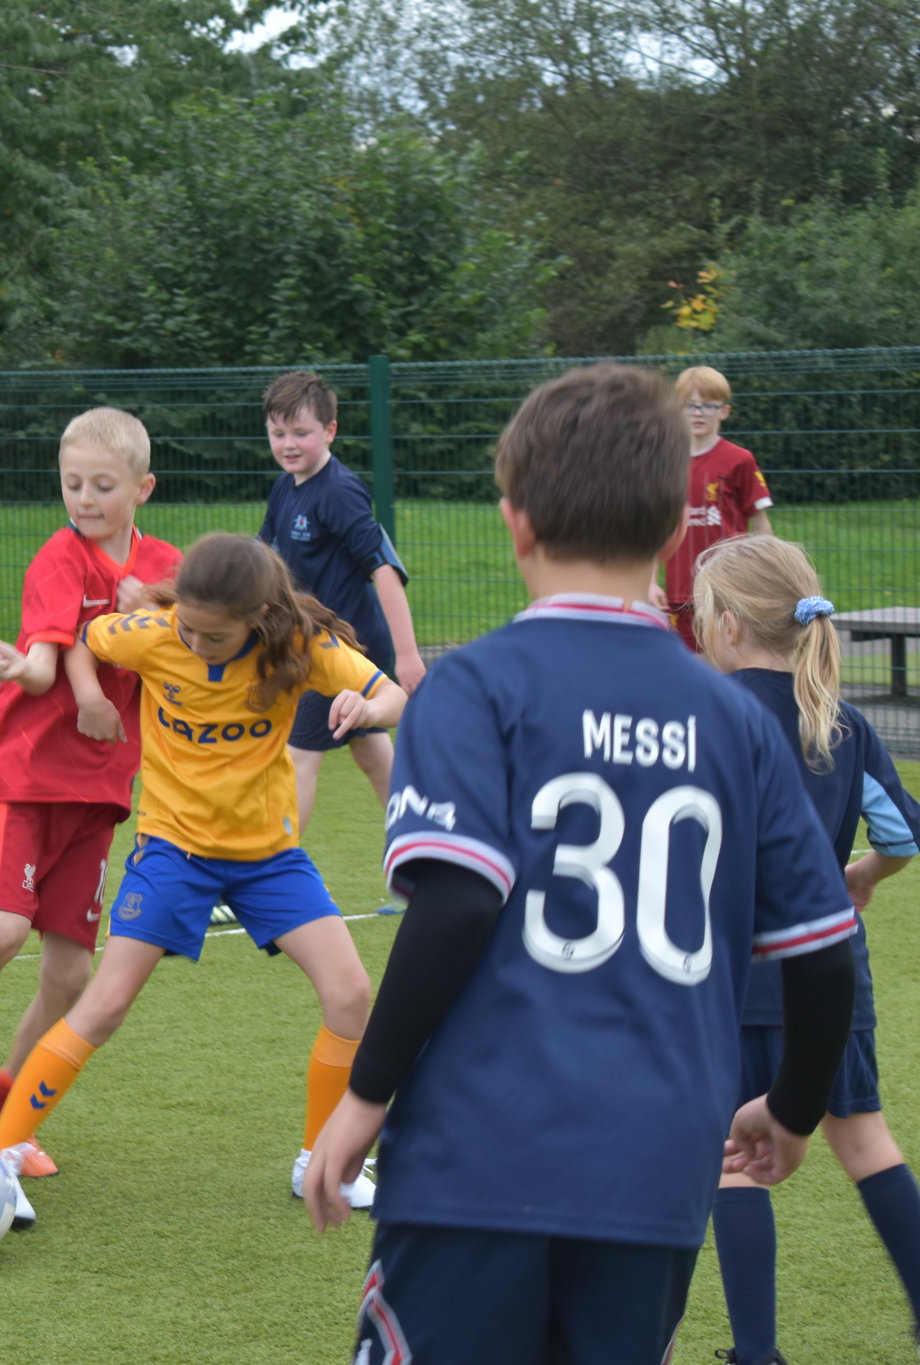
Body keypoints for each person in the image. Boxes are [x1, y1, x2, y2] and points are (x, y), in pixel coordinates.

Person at [304, 363, 861, 1364]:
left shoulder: (470, 688)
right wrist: (790, 1107)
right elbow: (825, 957)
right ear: (665, 537)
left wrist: (365, 1092)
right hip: (652, 1178)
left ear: (513, 522)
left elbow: (458, 905)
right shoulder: (732, 721)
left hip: (476, 1158)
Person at [0, 531, 405, 1222]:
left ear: (260, 617)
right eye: (189, 629)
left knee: (351, 992)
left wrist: (366, 708)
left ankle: (322, 1160)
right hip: (172, 850)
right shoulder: (153, 631)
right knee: (105, 1003)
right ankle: (0, 1150)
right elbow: (90, 636)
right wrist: (91, 695)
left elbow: (391, 694)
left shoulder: (299, 646)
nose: (196, 643)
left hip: (270, 857)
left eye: (214, 635)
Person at [0, 406, 183, 1179]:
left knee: (70, 973)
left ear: (142, 487)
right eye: (71, 484)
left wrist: (155, 604)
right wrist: (12, 663)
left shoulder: (167, 565)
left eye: (101, 485)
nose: (84, 499)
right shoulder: (57, 558)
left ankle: (5, 1113)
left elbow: (192, 637)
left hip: (98, 791)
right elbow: (46, 669)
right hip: (25, 777)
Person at [692, 535, 920, 1365]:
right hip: (834, 974)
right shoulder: (844, 721)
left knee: (733, 1159)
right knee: (866, 1144)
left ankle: (758, 1354)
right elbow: (901, 835)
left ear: (723, 628)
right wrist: (863, 873)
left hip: (733, 982)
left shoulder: (705, 719)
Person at [256, 370, 425, 839]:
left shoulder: (339, 491)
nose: (288, 444)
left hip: (343, 649)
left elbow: (384, 568)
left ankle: (267, 875)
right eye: (278, 433)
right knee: (371, 752)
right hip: (310, 641)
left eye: (301, 433)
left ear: (330, 431)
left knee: (298, 757)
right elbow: (262, 558)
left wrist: (408, 655)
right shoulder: (284, 486)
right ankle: (428, 855)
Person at [655, 364, 774, 651]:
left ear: (724, 411)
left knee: (728, 672)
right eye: (690, 405)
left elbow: (761, 526)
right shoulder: (665, 462)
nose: (698, 413)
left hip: (728, 593)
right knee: (684, 675)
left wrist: (767, 576)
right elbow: (654, 531)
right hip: (678, 596)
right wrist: (649, 582)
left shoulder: (739, 460)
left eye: (708, 406)